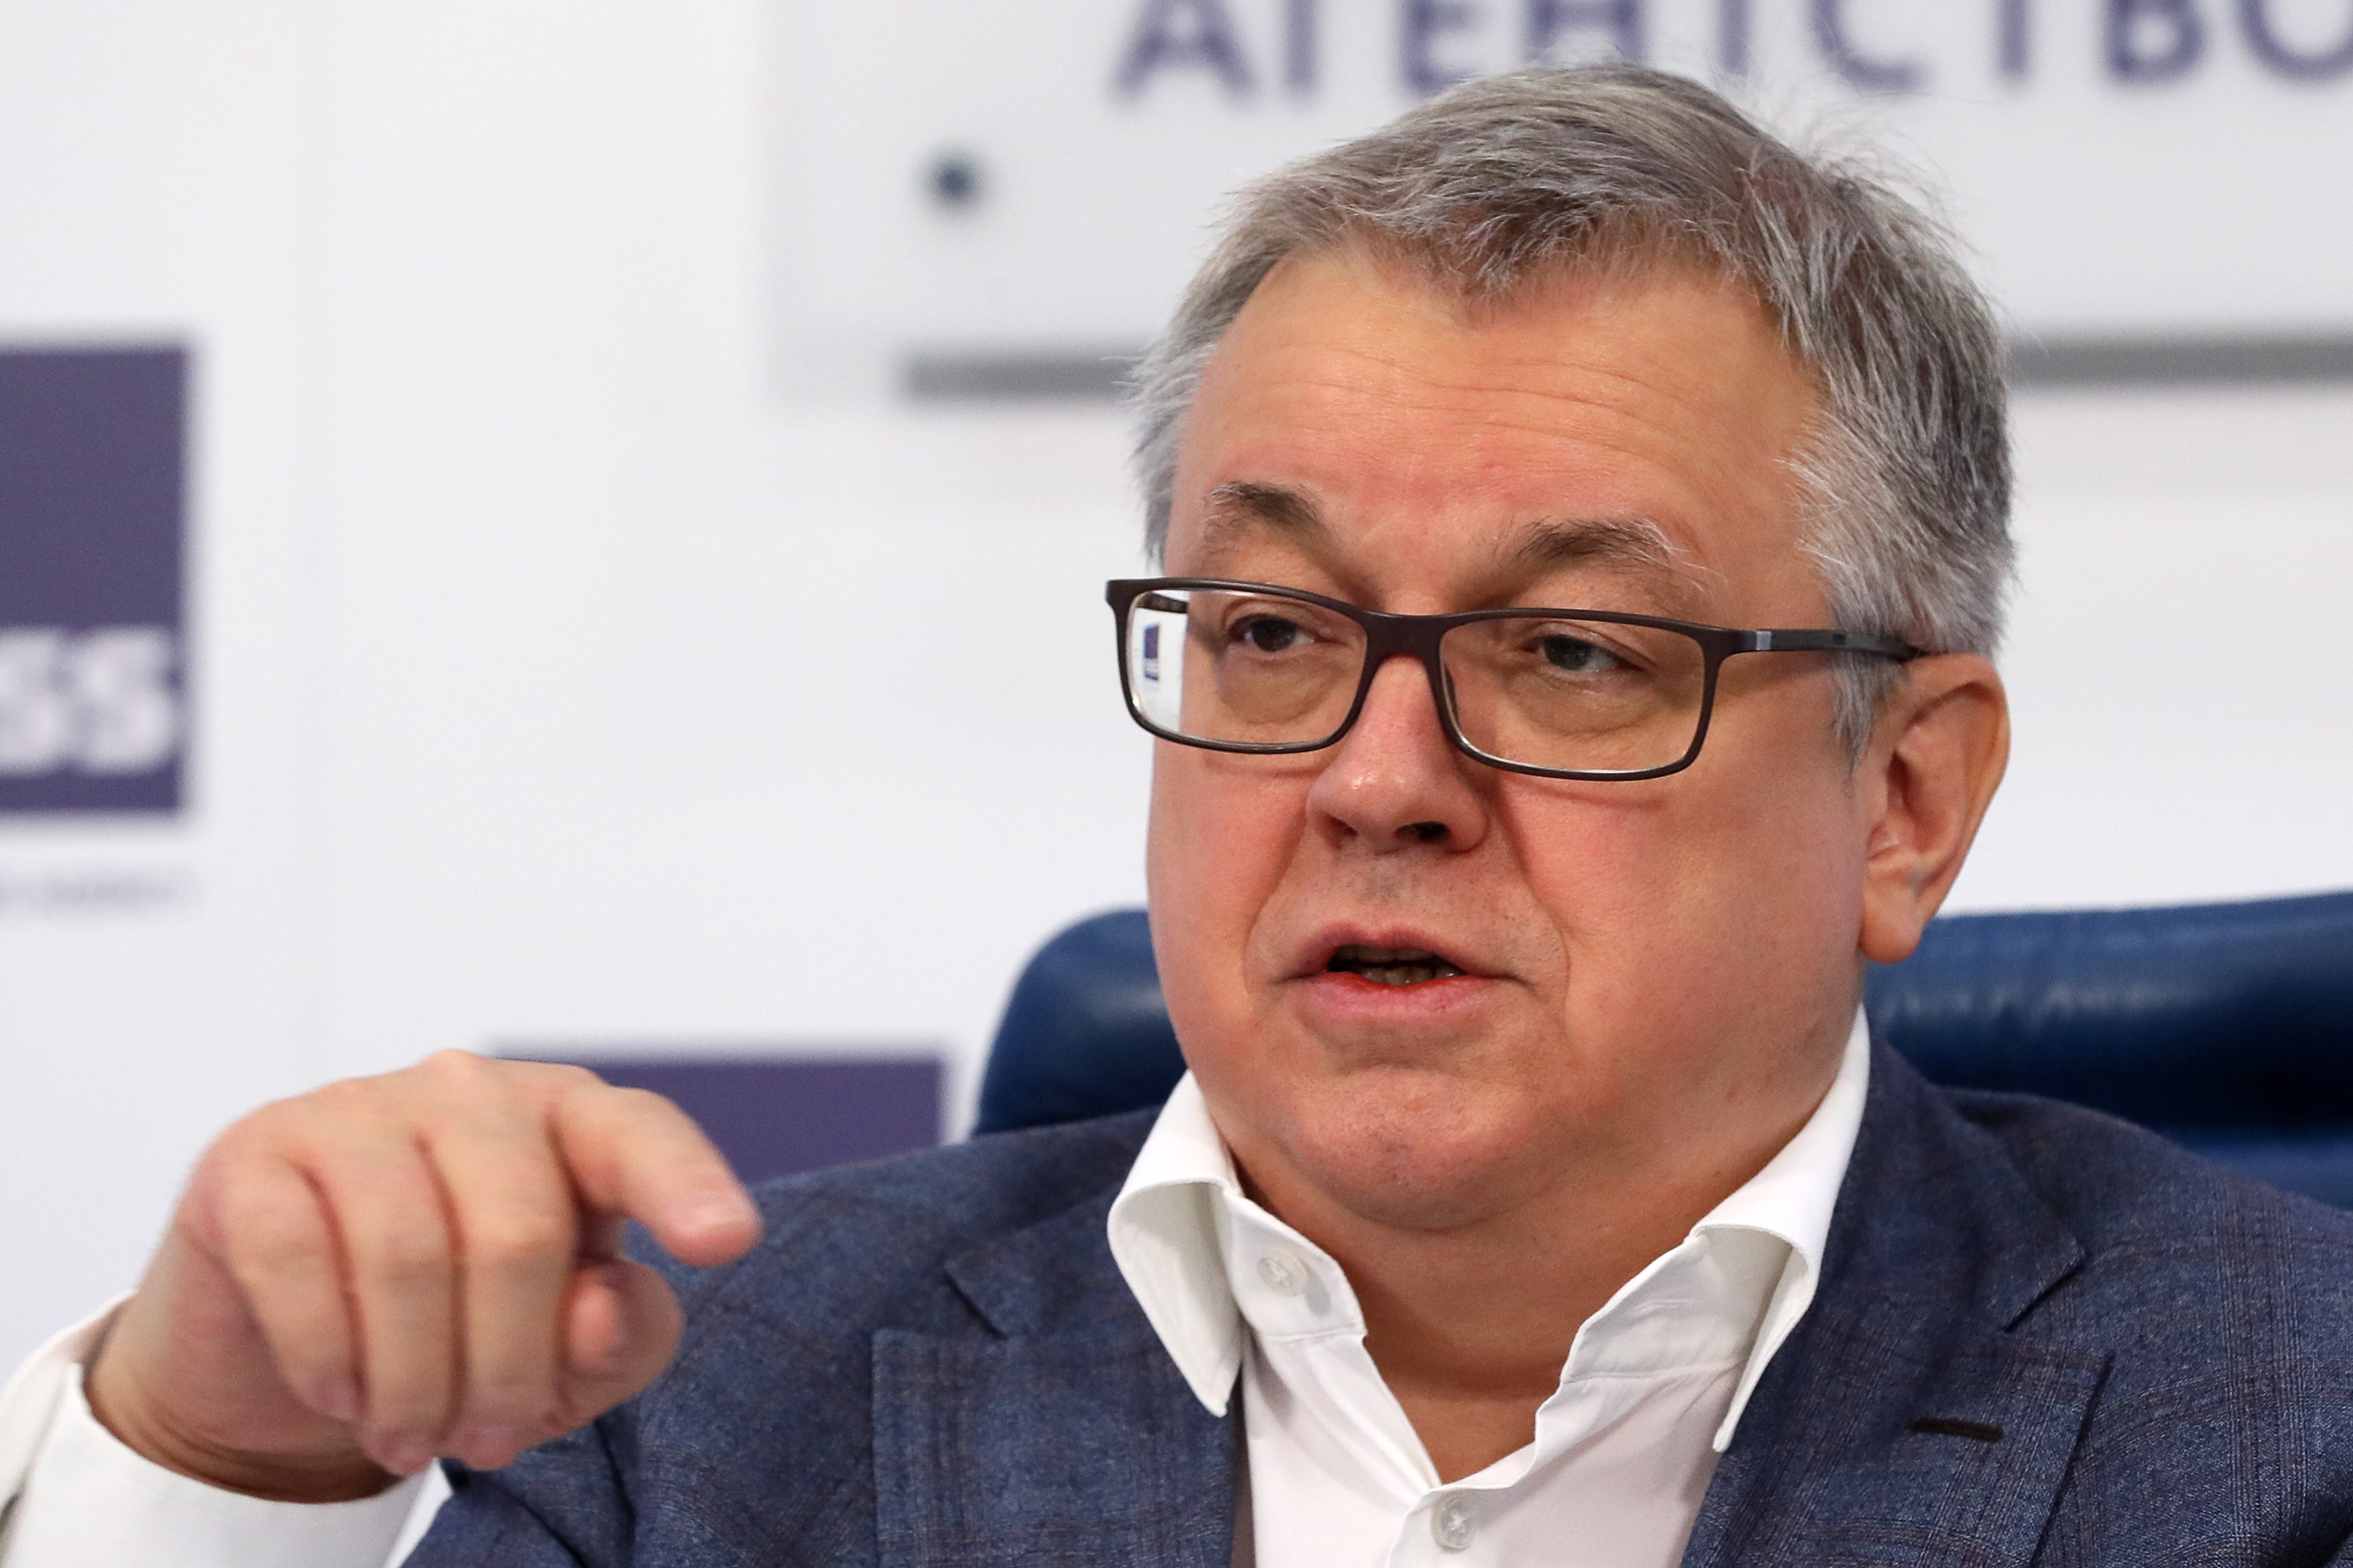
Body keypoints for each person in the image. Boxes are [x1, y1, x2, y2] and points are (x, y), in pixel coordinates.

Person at [5, 61, 2353, 1567]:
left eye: (1566, 653)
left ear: (1906, 800)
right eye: (1267, 631)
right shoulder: (703, 1416)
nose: (1375, 780)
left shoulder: (2288, 1432)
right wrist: (218, 1465)